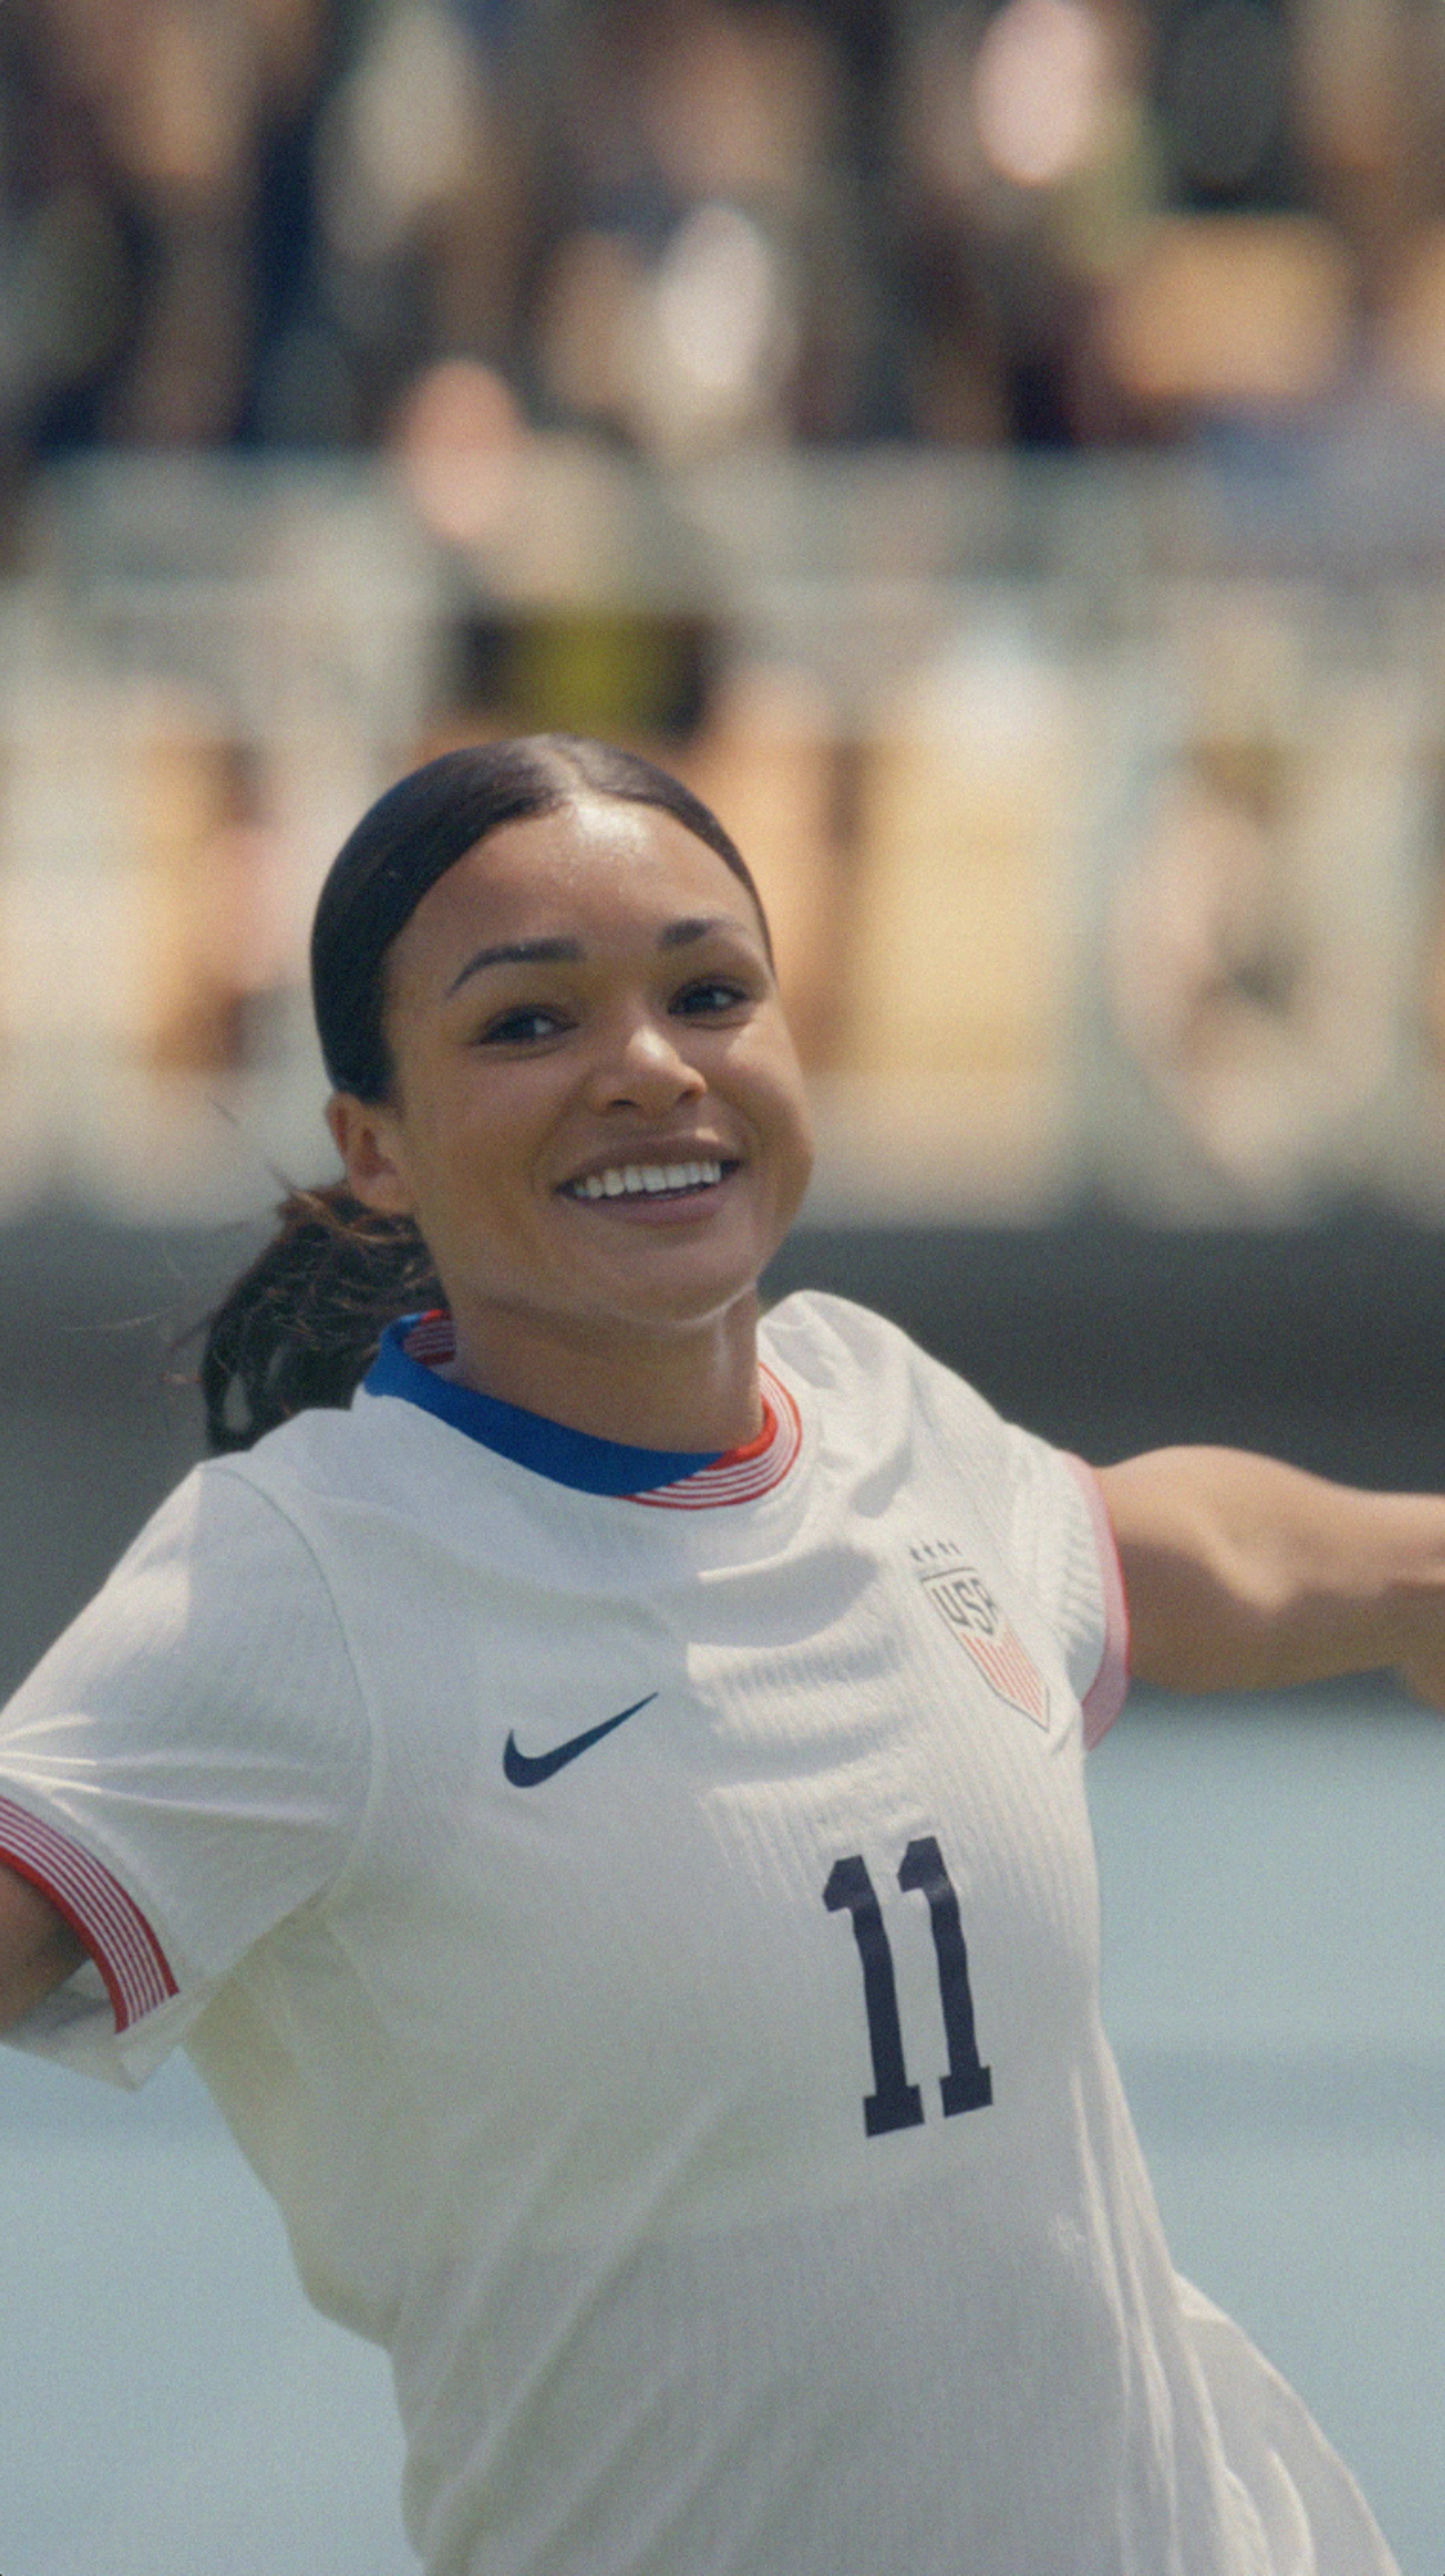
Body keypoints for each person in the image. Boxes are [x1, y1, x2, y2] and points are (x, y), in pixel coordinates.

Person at [0, 732, 1439, 2576]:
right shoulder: (298, 1583)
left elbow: (1175, 1547)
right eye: (529, 1024)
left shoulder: (878, 1404)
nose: (650, 1068)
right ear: (375, 1149)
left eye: (711, 991)